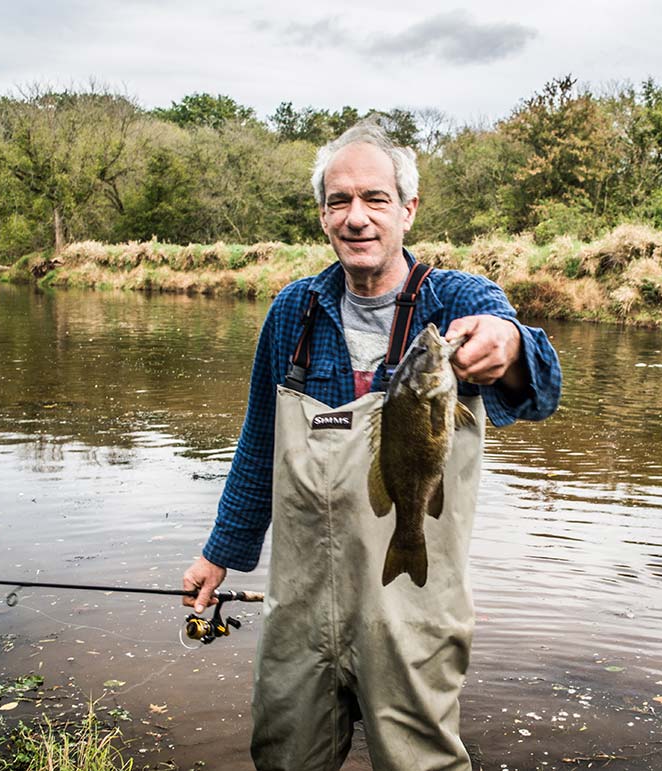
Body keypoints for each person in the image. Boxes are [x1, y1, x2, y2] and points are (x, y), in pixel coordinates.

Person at [181, 121, 562, 771]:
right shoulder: (292, 313)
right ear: (323, 215)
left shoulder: (458, 299)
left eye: (375, 199)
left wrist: (512, 348)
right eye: (339, 201)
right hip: (300, 612)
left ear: (408, 209)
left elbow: (539, 390)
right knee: (284, 756)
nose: (356, 217)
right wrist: (221, 553)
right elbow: (258, 447)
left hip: (412, 611)